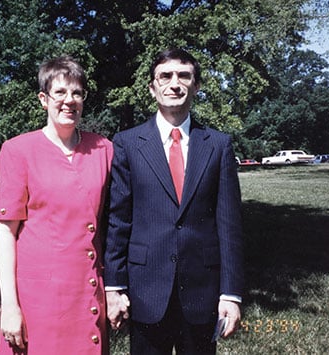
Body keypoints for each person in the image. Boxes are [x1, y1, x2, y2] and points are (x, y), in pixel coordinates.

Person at [104, 48, 244, 354]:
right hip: (145, 291)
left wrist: (231, 294)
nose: (174, 83)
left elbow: (229, 226)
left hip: (202, 292)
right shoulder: (128, 144)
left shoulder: (218, 145)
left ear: (196, 85)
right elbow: (118, 219)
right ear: (152, 88)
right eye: (165, 76)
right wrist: (114, 287)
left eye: (184, 76)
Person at [0, 56, 113, 354]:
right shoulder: (18, 151)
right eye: (60, 93)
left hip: (85, 294)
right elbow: (6, 234)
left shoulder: (104, 150)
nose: (69, 101)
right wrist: (9, 305)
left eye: (76, 93)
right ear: (43, 100)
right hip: (38, 302)